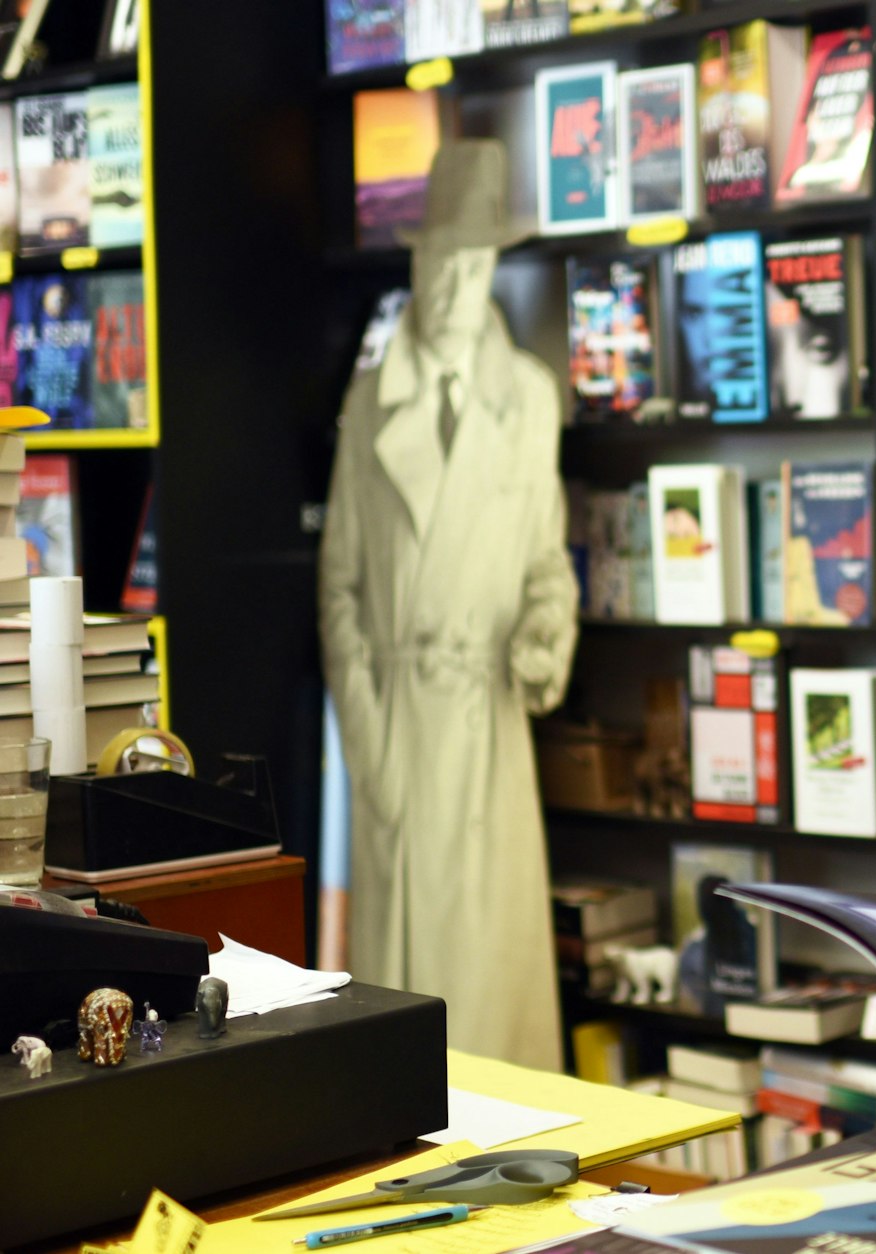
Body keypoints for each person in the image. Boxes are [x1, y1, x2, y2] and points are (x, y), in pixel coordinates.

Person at [318, 139, 578, 1070]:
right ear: (419, 263)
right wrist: (370, 739)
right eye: (446, 262)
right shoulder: (370, 401)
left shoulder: (531, 400)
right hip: (401, 741)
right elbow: (339, 589)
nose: (462, 285)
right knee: (409, 1039)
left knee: (492, 1023)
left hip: (486, 732)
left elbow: (546, 562)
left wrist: (547, 637)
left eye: (479, 265)